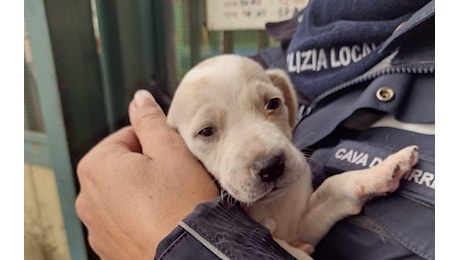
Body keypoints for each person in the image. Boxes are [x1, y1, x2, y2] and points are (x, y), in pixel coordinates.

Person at [75, 0, 434, 259]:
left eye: (271, 105)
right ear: (174, 148)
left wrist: (182, 241)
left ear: (289, 104)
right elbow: (303, 225)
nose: (265, 153)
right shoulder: (301, 39)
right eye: (207, 132)